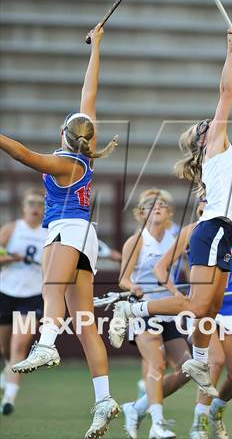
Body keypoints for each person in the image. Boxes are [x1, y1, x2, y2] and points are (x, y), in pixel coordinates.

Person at [109, 29, 232, 398]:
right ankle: (134, 310)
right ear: (204, 141)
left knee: (213, 305)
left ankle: (199, 359)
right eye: (203, 128)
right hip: (212, 232)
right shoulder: (216, 146)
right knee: (196, 303)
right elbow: (227, 92)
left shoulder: (220, 155)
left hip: (223, 231)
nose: (211, 123)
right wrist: (230, 52)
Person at [0, 24, 120, 439]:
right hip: (82, 232)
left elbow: (22, 153)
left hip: (67, 229)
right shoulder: (81, 153)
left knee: (51, 291)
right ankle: (103, 398)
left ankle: (47, 343)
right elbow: (91, 91)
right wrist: (97, 47)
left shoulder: (65, 162)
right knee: (84, 321)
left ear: (64, 135)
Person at [152, 201, 232, 439]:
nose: (207, 204)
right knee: (214, 361)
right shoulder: (192, 232)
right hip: (202, 308)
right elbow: (161, 269)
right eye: (204, 200)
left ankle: (215, 412)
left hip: (229, 309)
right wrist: (178, 295)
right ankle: (198, 424)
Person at [117, 188, 191, 439]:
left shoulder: (175, 239)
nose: (155, 207)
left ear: (169, 212)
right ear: (141, 213)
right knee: (156, 364)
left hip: (169, 311)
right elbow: (123, 279)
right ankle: (157, 424)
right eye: (149, 205)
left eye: (160, 204)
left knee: (188, 369)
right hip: (143, 310)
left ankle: (136, 408)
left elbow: (189, 271)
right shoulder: (136, 241)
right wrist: (133, 287)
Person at [0, 188, 46, 416]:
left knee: (19, 346)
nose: (35, 208)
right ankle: (7, 373)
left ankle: (9, 398)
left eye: (39, 203)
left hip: (33, 296)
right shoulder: (11, 229)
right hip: (6, 293)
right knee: (5, 347)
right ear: (23, 206)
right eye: (31, 203)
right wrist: (9, 258)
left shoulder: (48, 233)